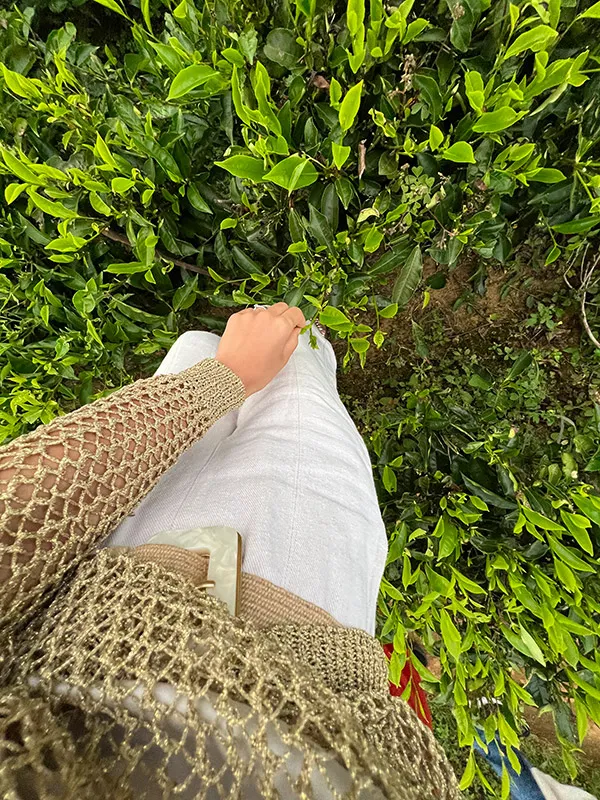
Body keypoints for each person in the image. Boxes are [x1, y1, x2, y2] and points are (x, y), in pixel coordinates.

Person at [0, 303, 458, 799]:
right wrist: (223, 377)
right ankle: (301, 323)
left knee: (201, 345)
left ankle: (269, 328)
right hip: (290, 627)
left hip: (103, 594)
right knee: (295, 363)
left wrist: (224, 377)